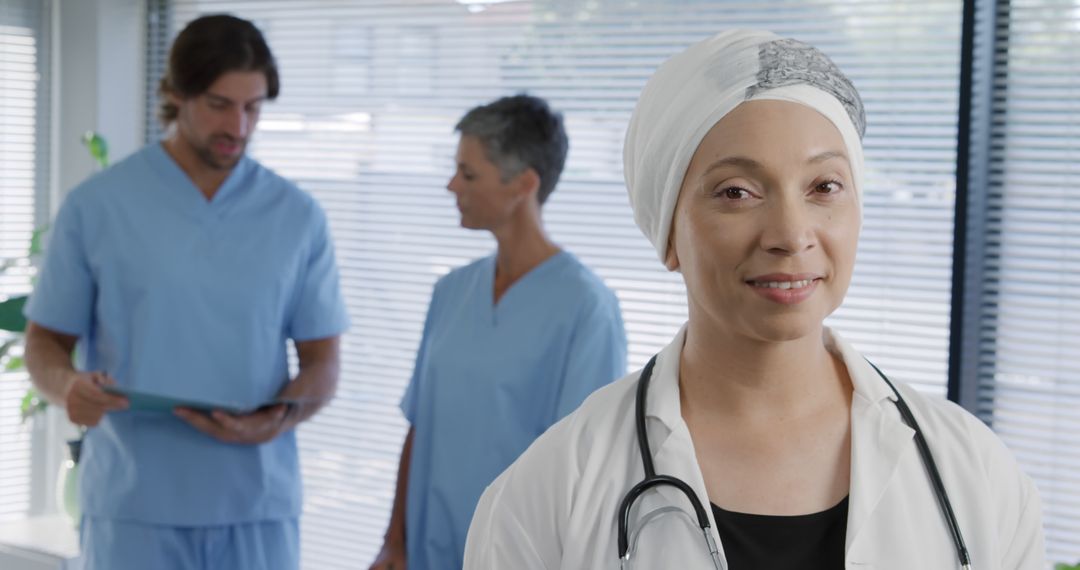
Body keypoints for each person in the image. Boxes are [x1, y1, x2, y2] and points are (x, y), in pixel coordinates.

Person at [463, 30, 1045, 569]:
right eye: (736, 191)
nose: (791, 235)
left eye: (825, 186)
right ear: (668, 231)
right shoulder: (544, 496)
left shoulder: (976, 474)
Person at [23, 14, 349, 570]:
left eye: (253, 108)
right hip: (135, 507)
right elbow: (45, 343)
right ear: (174, 94)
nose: (239, 127)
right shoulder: (98, 205)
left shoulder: (297, 216)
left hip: (256, 507)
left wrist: (282, 414)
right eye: (220, 105)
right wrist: (67, 385)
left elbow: (323, 364)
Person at [369, 94, 627, 570]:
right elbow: (420, 424)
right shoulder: (451, 291)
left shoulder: (586, 308)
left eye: (469, 174)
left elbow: (584, 474)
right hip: (429, 551)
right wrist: (394, 543)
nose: (451, 185)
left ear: (523, 184)